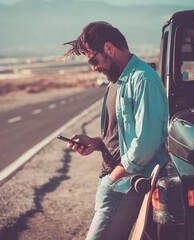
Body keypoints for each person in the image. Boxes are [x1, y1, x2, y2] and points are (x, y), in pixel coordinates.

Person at [61, 21, 168, 240]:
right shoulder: (117, 82)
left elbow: (146, 142)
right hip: (115, 184)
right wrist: (95, 142)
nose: (93, 67)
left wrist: (114, 176)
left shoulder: (142, 79)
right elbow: (121, 135)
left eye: (93, 60)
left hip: (124, 186)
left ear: (109, 48)